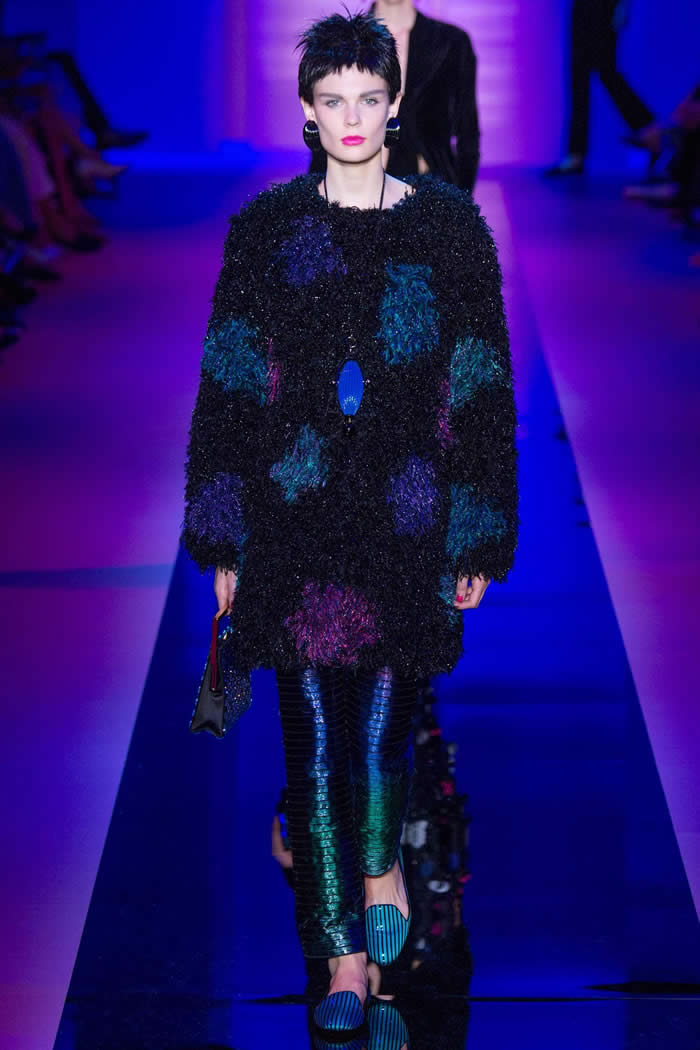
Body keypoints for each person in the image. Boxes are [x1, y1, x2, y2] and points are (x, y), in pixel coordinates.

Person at [182, 10, 517, 1035]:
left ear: (396, 101)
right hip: (293, 508)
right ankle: (339, 958)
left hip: (405, 509)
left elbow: (479, 385)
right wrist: (222, 534)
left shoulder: (447, 229)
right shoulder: (266, 229)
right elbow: (230, 383)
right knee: (313, 747)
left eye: (370, 97)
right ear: (307, 109)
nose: (354, 117)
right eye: (334, 100)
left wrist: (477, 527)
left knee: (376, 732)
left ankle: (379, 869)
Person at [310, 0, 480, 192]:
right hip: (348, 186)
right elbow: (324, 120)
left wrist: (462, 199)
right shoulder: (338, 41)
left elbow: (468, 132)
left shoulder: (452, 43)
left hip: (429, 189)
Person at [547, 0, 655, 175]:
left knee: (605, 71)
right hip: (585, 6)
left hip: (603, 6)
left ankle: (649, 129)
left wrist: (623, 5)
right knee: (580, 76)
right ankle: (576, 154)